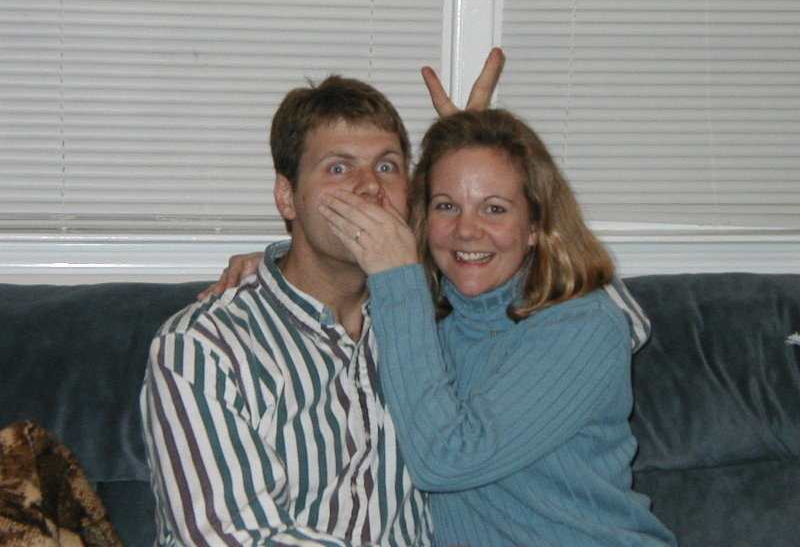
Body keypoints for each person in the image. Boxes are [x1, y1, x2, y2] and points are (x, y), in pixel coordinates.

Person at [140, 51, 504, 547]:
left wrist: (476, 158)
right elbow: (229, 537)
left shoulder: (434, 321)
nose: (370, 187)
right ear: (287, 197)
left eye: (387, 166)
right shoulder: (202, 347)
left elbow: (578, 312)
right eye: (338, 168)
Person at [313, 108, 678, 546]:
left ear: (535, 226)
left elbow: (445, 461)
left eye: (494, 208)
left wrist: (397, 279)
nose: (466, 230)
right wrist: (272, 261)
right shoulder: (421, 317)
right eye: (447, 205)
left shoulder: (582, 326)